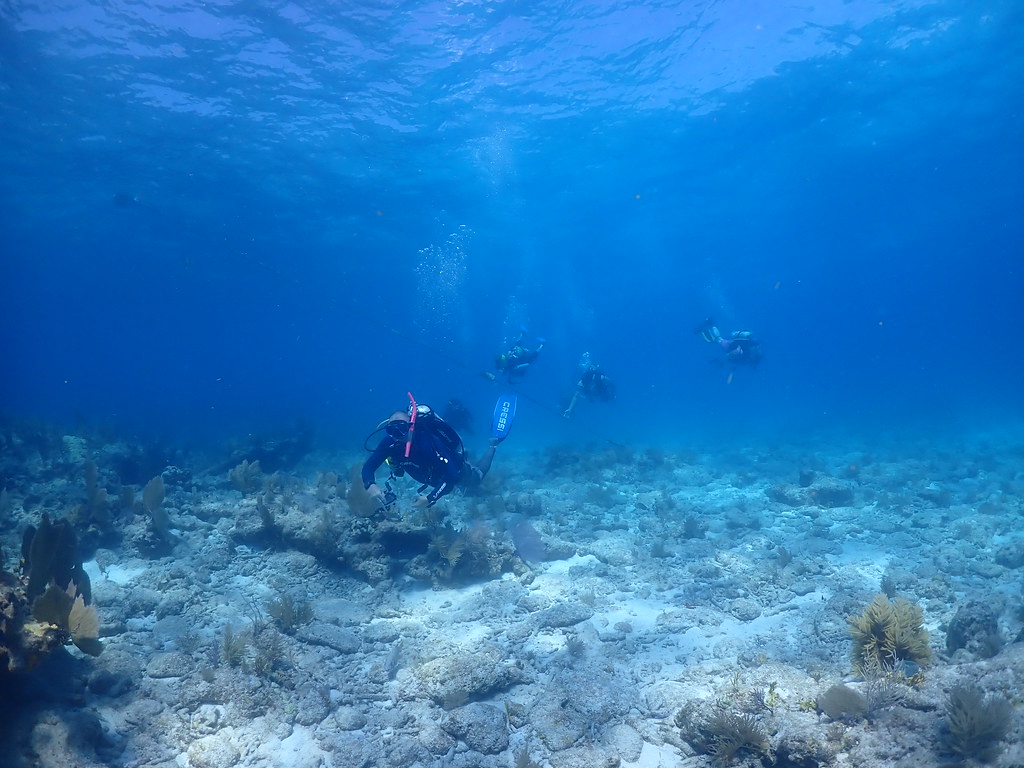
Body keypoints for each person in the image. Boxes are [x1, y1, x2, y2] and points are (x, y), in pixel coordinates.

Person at [362, 403, 500, 511]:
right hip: (431, 477)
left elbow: (452, 477)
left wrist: (430, 498)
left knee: (476, 480)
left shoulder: (427, 442)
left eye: (402, 428)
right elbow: (369, 467)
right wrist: (370, 485)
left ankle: (492, 446)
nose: (397, 434)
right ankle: (465, 454)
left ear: (411, 427)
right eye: (391, 430)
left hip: (450, 471)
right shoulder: (389, 442)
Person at [563, 352, 615, 419]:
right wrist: (569, 410)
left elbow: (611, 383)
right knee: (593, 395)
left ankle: (610, 398)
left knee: (606, 397)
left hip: (600, 389)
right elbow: (576, 396)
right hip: (591, 391)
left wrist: (613, 394)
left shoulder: (600, 378)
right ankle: (605, 396)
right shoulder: (582, 383)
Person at [696, 318, 763, 367]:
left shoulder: (750, 348)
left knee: (719, 339)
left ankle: (710, 325)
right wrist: (722, 361)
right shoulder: (747, 351)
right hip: (730, 346)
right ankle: (708, 327)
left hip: (733, 343)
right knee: (718, 339)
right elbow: (730, 354)